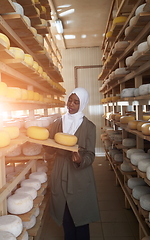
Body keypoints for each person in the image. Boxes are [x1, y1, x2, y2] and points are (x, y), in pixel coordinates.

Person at [46, 87, 100, 240]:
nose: (71, 104)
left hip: (79, 174)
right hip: (60, 170)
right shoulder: (57, 123)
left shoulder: (89, 127)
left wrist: (81, 160)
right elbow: (50, 148)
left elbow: (90, 155)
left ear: (82, 104)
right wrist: (42, 143)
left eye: (76, 102)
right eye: (70, 100)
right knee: (65, 214)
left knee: (80, 216)